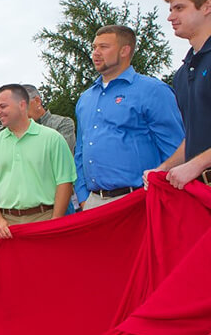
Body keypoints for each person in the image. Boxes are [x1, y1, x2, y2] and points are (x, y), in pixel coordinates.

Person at [76, 25, 184, 210]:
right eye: (94, 47)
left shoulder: (153, 91)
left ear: (125, 50)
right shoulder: (85, 99)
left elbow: (176, 147)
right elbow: (81, 149)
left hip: (140, 200)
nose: (96, 53)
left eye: (104, 47)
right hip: (93, 204)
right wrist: (83, 196)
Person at [145, 0, 211, 190]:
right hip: (203, 192)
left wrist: (196, 165)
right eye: (170, 10)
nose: (170, 17)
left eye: (179, 8)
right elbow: (195, 137)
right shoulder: (182, 73)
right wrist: (164, 168)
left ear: (207, 6)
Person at [0, 84, 76, 239]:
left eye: (3, 106)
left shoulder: (53, 138)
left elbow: (65, 181)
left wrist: (55, 221)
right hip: (6, 226)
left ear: (22, 105)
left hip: (45, 219)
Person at [24, 84, 75, 153]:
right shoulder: (16, 130)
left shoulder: (63, 123)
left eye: (23, 105)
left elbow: (61, 155)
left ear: (37, 101)